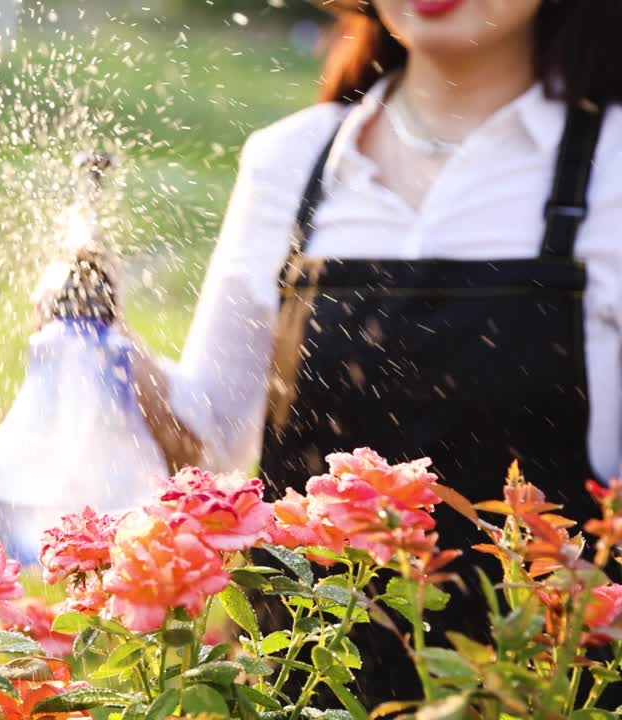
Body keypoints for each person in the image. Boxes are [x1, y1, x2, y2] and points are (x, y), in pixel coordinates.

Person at [129, 0, 622, 705]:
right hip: (304, 687)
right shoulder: (293, 161)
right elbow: (207, 440)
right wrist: (100, 350)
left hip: (539, 687)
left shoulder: (610, 170)